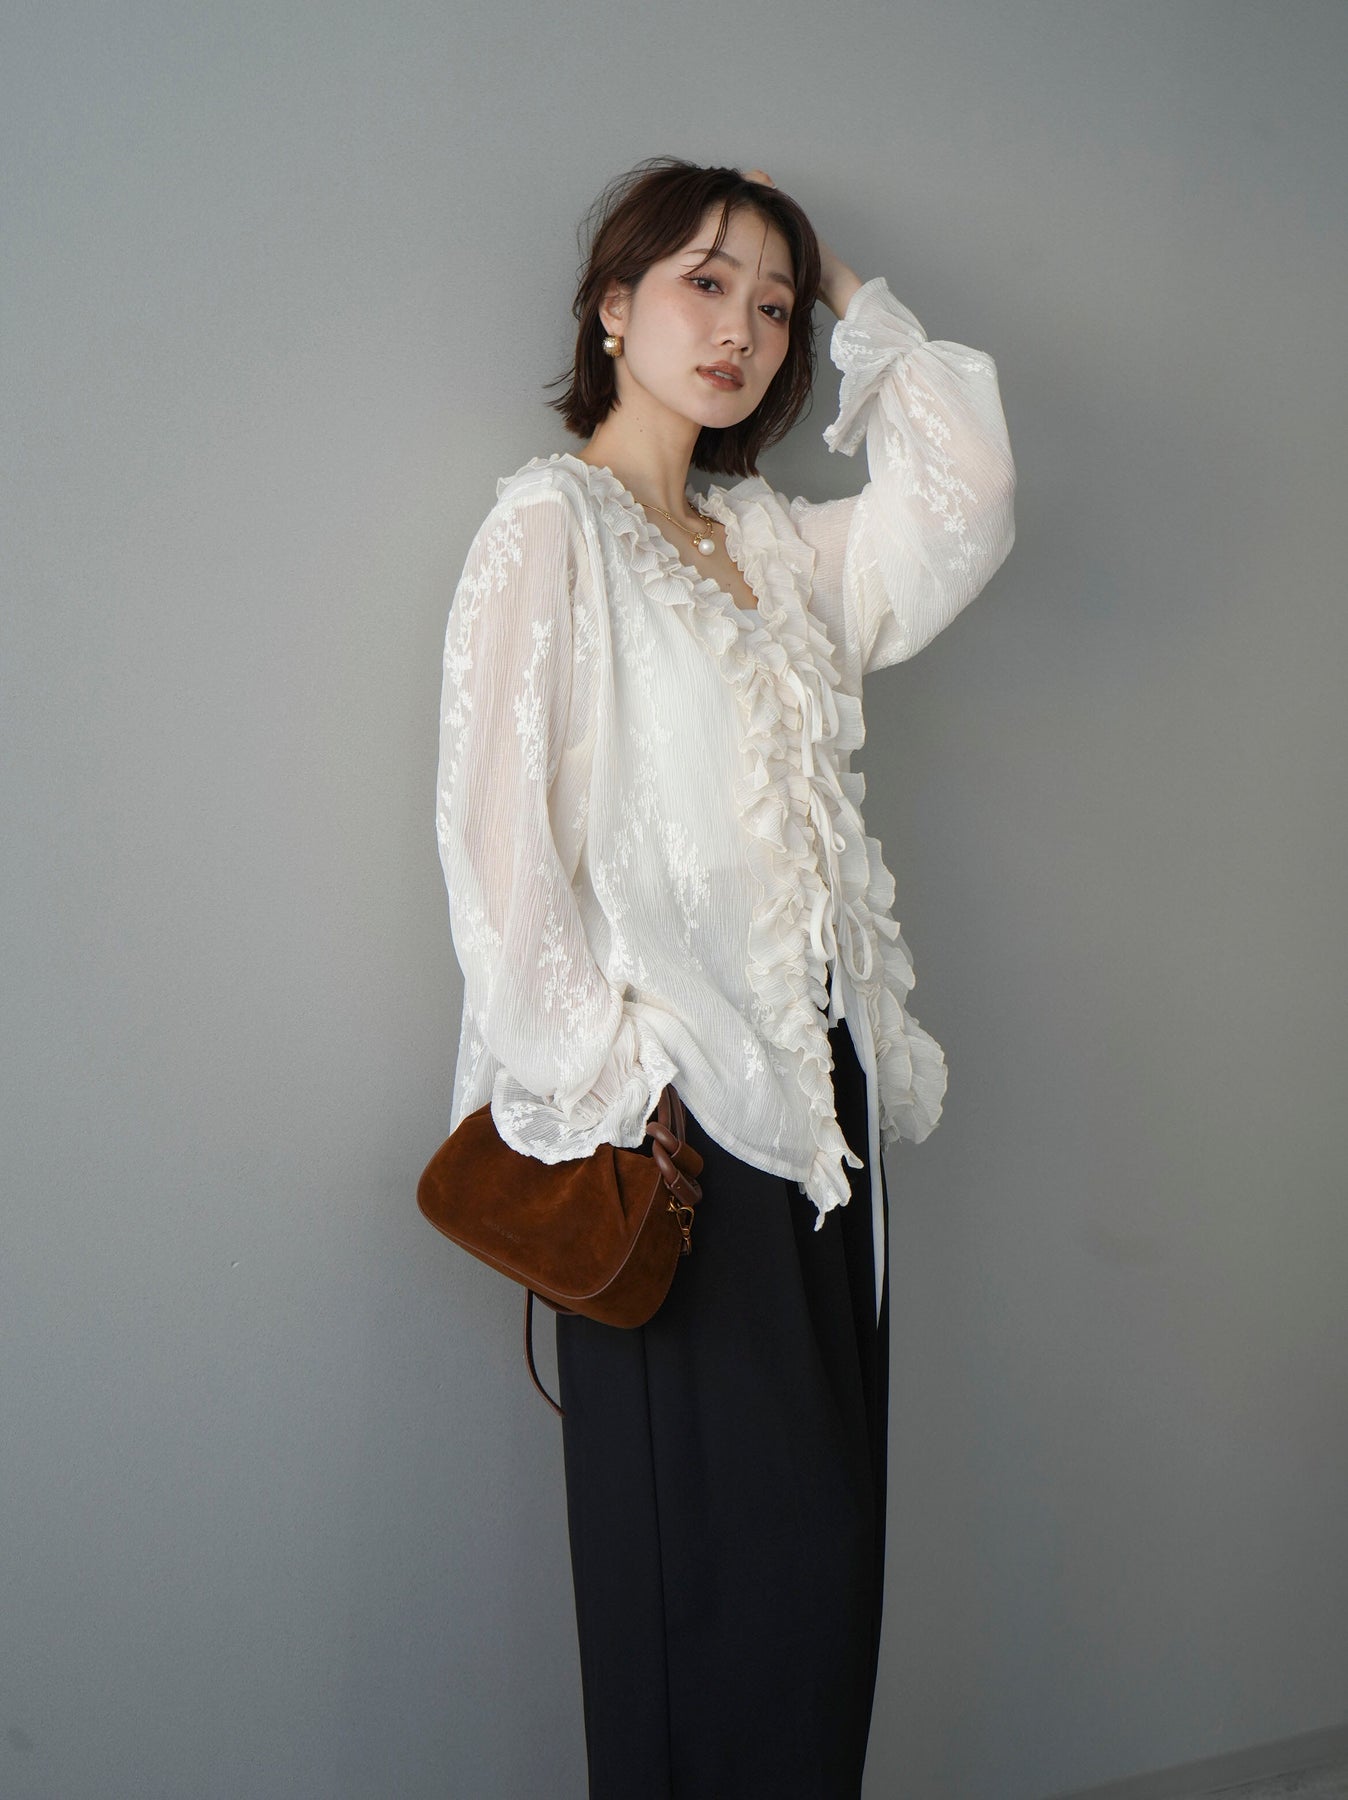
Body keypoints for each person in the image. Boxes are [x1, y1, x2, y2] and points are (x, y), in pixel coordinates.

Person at [434, 156, 1016, 1798]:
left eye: (770, 306)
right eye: (705, 283)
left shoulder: (772, 543)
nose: (743, 330)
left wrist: (840, 280)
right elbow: (496, 845)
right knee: (713, 1595)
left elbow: (965, 499)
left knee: (818, 1591)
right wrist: (616, 1087)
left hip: (820, 1108)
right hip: (675, 1125)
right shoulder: (549, 527)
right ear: (613, 307)